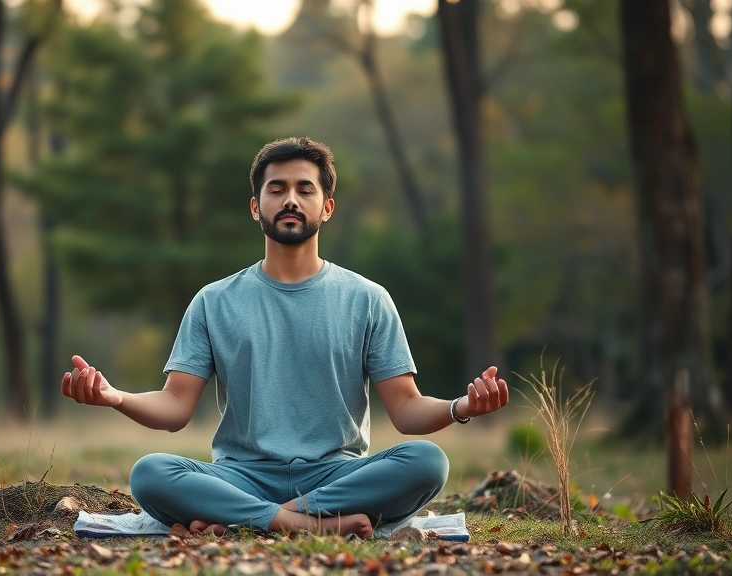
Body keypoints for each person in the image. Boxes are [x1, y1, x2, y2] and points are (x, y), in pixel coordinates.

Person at [62, 137, 509, 538]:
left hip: (338, 476)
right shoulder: (213, 301)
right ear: (256, 207)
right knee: (150, 473)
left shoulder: (368, 299)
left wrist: (460, 408)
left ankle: (261, 517)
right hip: (241, 475)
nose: (290, 199)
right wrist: (115, 397)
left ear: (326, 208)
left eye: (304, 189)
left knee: (428, 462)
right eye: (276, 189)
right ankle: (303, 522)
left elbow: (407, 408)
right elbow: (175, 406)